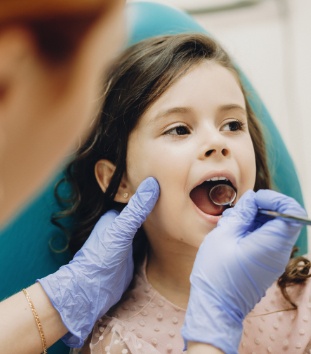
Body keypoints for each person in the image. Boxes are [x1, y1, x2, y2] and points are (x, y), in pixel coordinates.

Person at [0, 1, 294, 353]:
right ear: (119, 181)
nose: (217, 142)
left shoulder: (301, 297)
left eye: (232, 125)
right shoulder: (120, 341)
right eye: (179, 129)